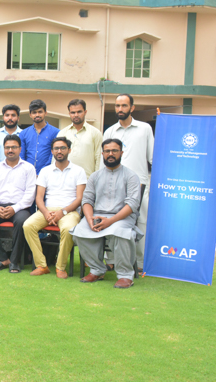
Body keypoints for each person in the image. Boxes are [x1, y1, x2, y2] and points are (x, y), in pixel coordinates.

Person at [71, 139, 142, 289]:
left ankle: (125, 275)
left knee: (120, 232)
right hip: (97, 215)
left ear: (121, 153)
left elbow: (132, 204)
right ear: (102, 153)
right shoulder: (95, 176)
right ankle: (97, 269)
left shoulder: (131, 176)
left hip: (122, 217)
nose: (111, 154)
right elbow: (87, 200)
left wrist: (110, 221)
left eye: (114, 151)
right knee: (80, 231)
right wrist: (89, 219)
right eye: (107, 151)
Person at [102, 94, 153, 273]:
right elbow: (104, 161)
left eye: (124, 105)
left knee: (141, 222)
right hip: (113, 184)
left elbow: (153, 157)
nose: (120, 109)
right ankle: (111, 260)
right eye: (117, 106)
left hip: (139, 184)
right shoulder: (110, 131)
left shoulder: (144, 128)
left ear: (132, 107)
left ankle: (139, 262)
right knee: (111, 219)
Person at [23, 137, 87, 279]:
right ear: (52, 151)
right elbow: (39, 197)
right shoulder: (45, 171)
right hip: (48, 210)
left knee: (68, 229)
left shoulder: (79, 171)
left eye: (63, 148)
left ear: (69, 150)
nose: (59, 151)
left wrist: (62, 212)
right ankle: (42, 265)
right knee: (28, 225)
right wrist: (46, 213)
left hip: (69, 211)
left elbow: (79, 199)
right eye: (56, 148)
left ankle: (60, 267)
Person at [0, 134, 36, 273]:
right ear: (4, 149)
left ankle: (15, 261)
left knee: (22, 222)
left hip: (20, 207)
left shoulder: (29, 168)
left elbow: (30, 194)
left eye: (14, 147)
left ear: (20, 149)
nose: (10, 150)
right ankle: (2, 258)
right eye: (7, 147)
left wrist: (15, 208)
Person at [56, 99, 102, 178]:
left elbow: (99, 157)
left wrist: (97, 178)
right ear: (69, 114)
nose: (76, 115)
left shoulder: (95, 133)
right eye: (73, 112)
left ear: (85, 112)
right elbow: (56, 156)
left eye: (79, 112)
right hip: (65, 179)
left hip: (87, 179)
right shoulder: (63, 133)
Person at [20, 99, 59, 175]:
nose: (37, 115)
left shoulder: (56, 132)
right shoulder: (23, 133)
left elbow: (53, 155)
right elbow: (21, 155)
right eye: (34, 112)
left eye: (40, 112)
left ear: (45, 113)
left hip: (49, 173)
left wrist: (43, 172)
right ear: (30, 115)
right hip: (27, 173)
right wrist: (27, 171)